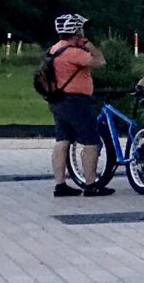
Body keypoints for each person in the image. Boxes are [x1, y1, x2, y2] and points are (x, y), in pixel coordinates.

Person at [39, 13, 108, 197]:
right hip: (77, 101)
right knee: (91, 142)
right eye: (80, 29)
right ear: (76, 30)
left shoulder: (55, 49)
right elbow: (100, 61)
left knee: (62, 141)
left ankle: (60, 185)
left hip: (58, 100)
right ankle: (91, 185)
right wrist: (88, 45)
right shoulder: (75, 53)